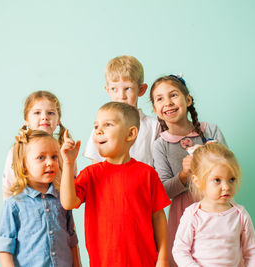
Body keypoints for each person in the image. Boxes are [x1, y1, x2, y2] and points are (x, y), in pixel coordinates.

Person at [61, 102, 171, 267]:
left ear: (130, 133)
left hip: (144, 262)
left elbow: (158, 217)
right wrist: (68, 164)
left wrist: (162, 258)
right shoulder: (91, 174)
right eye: (96, 126)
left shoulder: (147, 174)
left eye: (108, 125)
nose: (98, 130)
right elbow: (68, 202)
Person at [150, 74, 227, 266]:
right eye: (160, 99)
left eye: (173, 95)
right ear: (155, 110)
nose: (168, 102)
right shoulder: (160, 145)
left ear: (188, 99)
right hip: (183, 215)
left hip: (218, 208)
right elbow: (165, 191)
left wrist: (214, 158)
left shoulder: (211, 131)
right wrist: (184, 175)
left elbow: (230, 172)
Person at [0, 128, 80, 267]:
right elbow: (5, 246)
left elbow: (72, 240)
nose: (50, 163)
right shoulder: (14, 204)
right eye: (41, 157)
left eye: (54, 157)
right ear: (23, 165)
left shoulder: (62, 199)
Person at [172, 143, 255, 266]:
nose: (226, 187)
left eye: (232, 179)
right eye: (217, 180)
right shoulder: (193, 215)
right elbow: (180, 251)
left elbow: (252, 252)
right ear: (197, 181)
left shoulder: (240, 215)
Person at [83, 55, 160, 166]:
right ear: (108, 90)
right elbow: (95, 164)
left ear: (141, 89)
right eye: (114, 89)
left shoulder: (153, 126)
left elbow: (159, 165)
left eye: (127, 88)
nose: (121, 96)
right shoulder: (101, 126)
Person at [2, 90, 66, 201]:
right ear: (26, 120)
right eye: (37, 113)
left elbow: (71, 182)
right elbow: (8, 187)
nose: (44, 117)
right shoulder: (18, 149)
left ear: (58, 120)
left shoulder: (64, 150)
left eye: (50, 113)